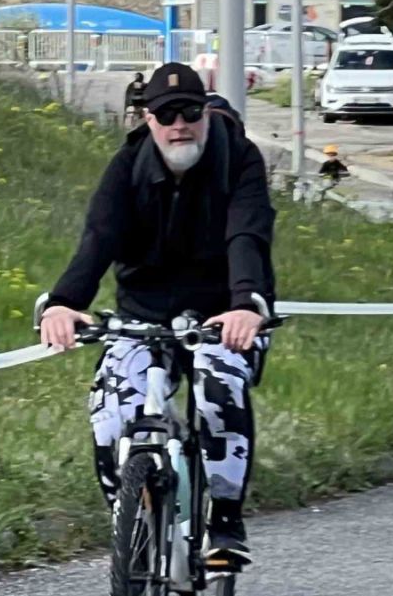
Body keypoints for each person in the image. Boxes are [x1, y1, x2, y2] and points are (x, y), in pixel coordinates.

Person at [38, 62, 276, 569]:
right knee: (110, 413)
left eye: (189, 112)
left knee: (218, 385)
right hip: (143, 314)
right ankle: (134, 526)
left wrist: (245, 305)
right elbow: (99, 237)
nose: (179, 125)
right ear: (149, 120)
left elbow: (247, 234)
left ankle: (225, 521)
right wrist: (63, 301)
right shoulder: (128, 165)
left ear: (205, 113)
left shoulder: (239, 158)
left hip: (224, 312)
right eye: (166, 115)